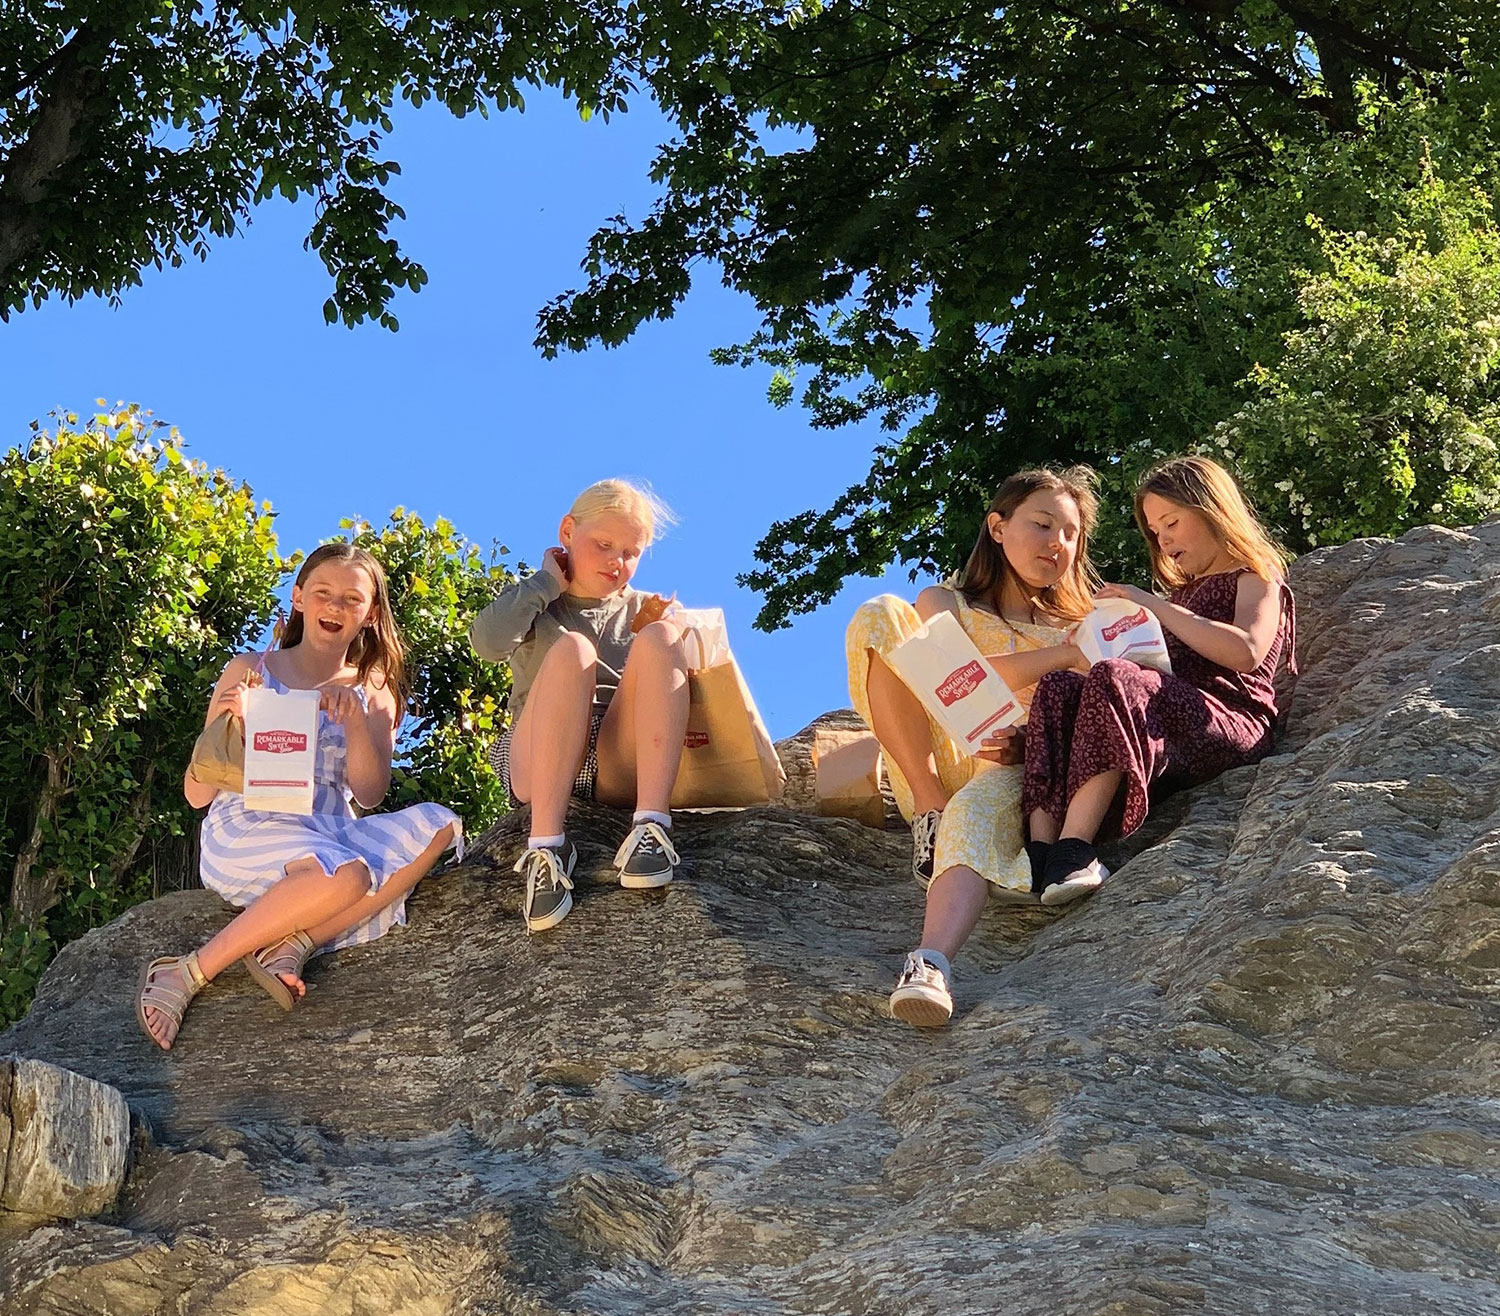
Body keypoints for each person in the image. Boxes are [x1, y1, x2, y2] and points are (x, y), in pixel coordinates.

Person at [137, 544, 463, 1050]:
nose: (335, 607)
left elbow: (370, 795)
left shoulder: (375, 690)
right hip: (248, 827)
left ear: (370, 614)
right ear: (298, 598)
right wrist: (231, 721)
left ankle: (296, 939)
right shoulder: (250, 670)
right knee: (349, 875)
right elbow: (195, 794)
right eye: (323, 593)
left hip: (330, 830)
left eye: (351, 599)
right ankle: (187, 972)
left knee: (441, 825)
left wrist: (356, 721)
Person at [845, 468, 1102, 1028]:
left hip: (1015, 768)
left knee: (975, 809)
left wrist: (1033, 735)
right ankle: (930, 808)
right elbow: (957, 675)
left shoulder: (1081, 622)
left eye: (1070, 534)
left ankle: (929, 964)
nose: (1056, 544)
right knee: (884, 616)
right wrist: (1061, 657)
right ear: (998, 525)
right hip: (938, 755)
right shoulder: (947, 601)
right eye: (1041, 524)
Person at [1023, 454, 1298, 899]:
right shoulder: (1177, 595)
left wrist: (1156, 607)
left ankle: (1076, 849)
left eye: (1171, 523)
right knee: (1060, 685)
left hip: (1226, 718)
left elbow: (1245, 652)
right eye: (1154, 532)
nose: (1163, 540)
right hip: (1166, 718)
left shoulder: (1255, 576)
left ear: (1211, 508)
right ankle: (1039, 853)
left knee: (1115, 675)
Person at [470, 478, 689, 932]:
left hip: (614, 759)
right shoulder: (536, 599)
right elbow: (487, 644)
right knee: (573, 650)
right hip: (541, 757)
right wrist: (547, 582)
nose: (616, 561)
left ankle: (651, 827)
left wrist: (653, 636)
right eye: (604, 544)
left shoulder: (645, 608)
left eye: (630, 552)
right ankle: (546, 849)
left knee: (664, 638)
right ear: (568, 531)